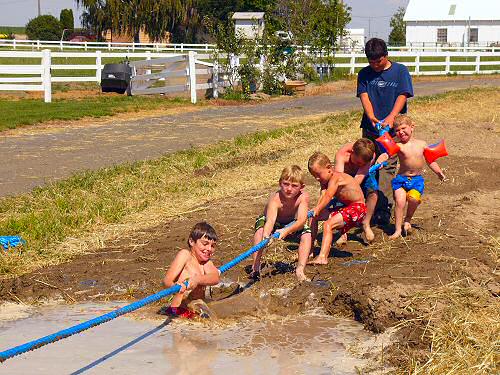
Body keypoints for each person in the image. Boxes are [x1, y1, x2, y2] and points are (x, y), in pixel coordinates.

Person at [357, 38, 414, 225]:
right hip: (371, 128)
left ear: (386, 55)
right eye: (371, 62)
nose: (374, 65)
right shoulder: (364, 74)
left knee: (388, 166)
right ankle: (365, 206)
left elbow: (403, 95)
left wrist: (391, 118)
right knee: (368, 164)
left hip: (392, 129)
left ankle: (382, 208)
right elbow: (364, 97)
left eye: (378, 61)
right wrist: (372, 116)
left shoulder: (400, 71)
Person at [388, 115, 446, 239]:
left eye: (403, 128)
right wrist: (380, 160)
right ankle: (397, 230)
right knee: (400, 201)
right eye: (397, 130)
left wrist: (438, 172)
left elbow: (430, 161)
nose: (401, 132)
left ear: (412, 127)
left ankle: (407, 219)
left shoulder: (422, 144)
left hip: (416, 180)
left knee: (414, 199)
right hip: (401, 180)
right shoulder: (398, 145)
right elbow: (386, 153)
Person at [251, 165, 312, 282]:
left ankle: (300, 269)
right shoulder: (275, 199)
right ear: (280, 183)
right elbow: (270, 221)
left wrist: (286, 231)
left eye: (294, 186)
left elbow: (301, 220)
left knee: (307, 235)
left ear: (301, 187)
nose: (289, 189)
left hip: (290, 223)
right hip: (272, 221)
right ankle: (256, 266)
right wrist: (266, 236)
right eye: (286, 184)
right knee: (260, 232)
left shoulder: (303, 197)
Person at [308, 152, 367, 265]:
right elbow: (323, 196)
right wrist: (316, 209)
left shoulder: (336, 178)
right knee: (314, 218)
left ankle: (322, 257)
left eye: (318, 174)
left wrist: (318, 208)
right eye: (313, 176)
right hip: (347, 208)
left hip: (358, 209)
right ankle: (310, 250)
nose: (316, 178)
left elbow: (328, 196)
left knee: (327, 225)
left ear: (329, 168)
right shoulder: (325, 180)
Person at [163, 222, 221, 318]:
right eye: (205, 244)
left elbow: (215, 278)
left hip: (197, 308)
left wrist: (196, 279)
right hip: (177, 310)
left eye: (213, 246)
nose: (209, 248)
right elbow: (166, 281)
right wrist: (176, 286)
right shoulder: (185, 255)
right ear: (191, 241)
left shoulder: (206, 263)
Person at [335, 138, 384, 242]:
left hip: (362, 175)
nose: (359, 165)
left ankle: (366, 223)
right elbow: (339, 179)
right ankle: (342, 230)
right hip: (344, 177)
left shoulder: (370, 156)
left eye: (362, 163)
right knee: (343, 197)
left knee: (373, 193)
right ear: (352, 152)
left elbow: (357, 180)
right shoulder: (342, 155)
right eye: (357, 162)